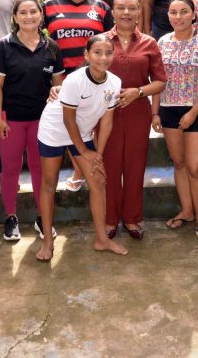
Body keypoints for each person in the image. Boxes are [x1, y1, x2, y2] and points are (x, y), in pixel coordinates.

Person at [35, 35, 128, 262]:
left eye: (108, 52)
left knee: (98, 181)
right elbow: (68, 120)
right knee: (49, 184)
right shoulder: (75, 80)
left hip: (82, 132)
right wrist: (85, 152)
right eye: (97, 52)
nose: (103, 57)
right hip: (54, 131)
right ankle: (48, 240)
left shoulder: (114, 82)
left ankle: (101, 239)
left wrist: (98, 155)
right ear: (86, 55)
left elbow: (107, 122)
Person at [0, 0, 64, 242]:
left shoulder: (51, 47)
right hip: (11, 120)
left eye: (34, 12)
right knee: (10, 169)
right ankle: (11, 216)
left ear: (41, 15)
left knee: (39, 169)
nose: (29, 16)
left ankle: (43, 217)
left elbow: (58, 86)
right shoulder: (4, 46)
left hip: (43, 122)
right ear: (15, 17)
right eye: (23, 12)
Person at [154, 0, 198, 241]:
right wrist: (155, 111)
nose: (178, 17)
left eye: (184, 11)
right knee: (179, 164)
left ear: (193, 14)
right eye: (173, 12)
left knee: (195, 167)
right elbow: (158, 80)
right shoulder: (162, 42)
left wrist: (194, 112)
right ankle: (187, 210)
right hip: (169, 108)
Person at [44, 0, 114, 189]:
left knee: (88, 124)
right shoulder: (49, 6)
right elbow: (37, 40)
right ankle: (77, 169)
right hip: (61, 79)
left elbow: (110, 42)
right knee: (67, 123)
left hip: (94, 77)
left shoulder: (101, 7)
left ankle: (84, 169)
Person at [103, 0, 167, 240]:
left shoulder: (150, 43)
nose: (126, 12)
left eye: (132, 8)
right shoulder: (101, 41)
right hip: (106, 113)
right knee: (109, 167)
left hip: (137, 112)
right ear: (113, 11)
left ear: (139, 12)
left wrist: (138, 92)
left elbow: (160, 82)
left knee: (134, 167)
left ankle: (132, 218)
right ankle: (110, 219)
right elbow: (90, 76)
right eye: (121, 8)